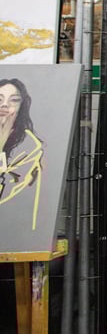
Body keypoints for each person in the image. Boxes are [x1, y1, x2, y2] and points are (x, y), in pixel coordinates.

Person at [0, 79, 43, 226]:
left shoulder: (28, 144)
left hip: (14, 223)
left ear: (21, 106)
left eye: (14, 100)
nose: (5, 105)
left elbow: (6, 191)